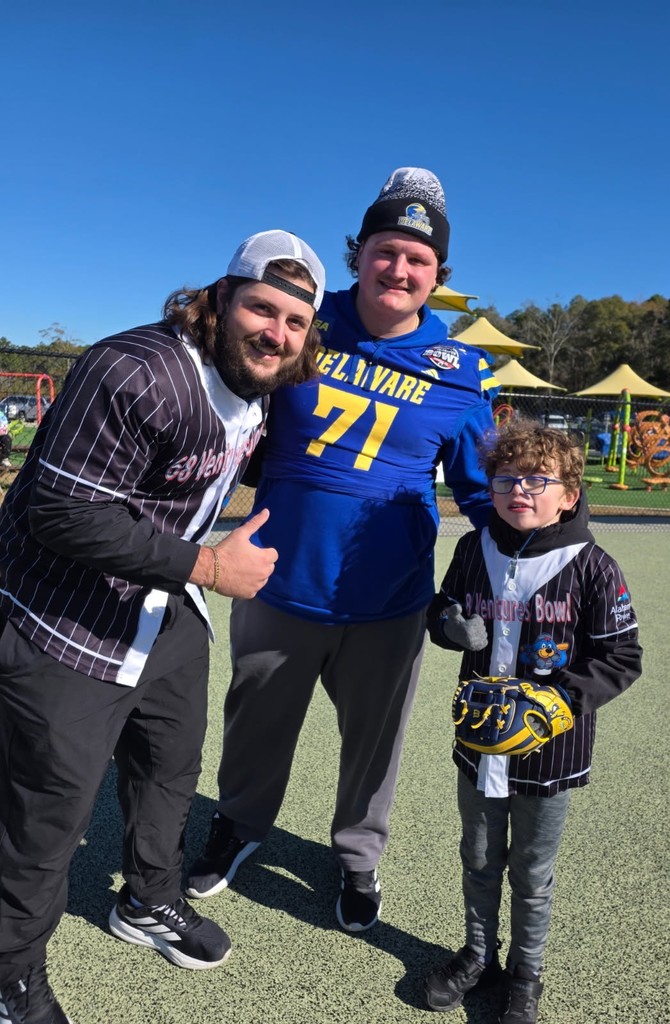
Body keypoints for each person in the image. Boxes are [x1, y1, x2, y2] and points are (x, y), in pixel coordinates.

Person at [0, 229, 325, 1024]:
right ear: (220, 300)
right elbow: (60, 511)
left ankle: (147, 899)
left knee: (170, 765)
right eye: (262, 308)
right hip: (63, 617)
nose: (276, 333)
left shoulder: (263, 384)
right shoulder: (135, 368)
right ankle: (8, 974)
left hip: (161, 607)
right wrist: (212, 569)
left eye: (294, 322)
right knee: (48, 813)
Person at [186, 167, 500, 933]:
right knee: (255, 723)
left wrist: (535, 558)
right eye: (387, 251)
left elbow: (484, 489)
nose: (399, 269)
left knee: (374, 744)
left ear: (439, 276)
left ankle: (358, 856)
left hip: (387, 596)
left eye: (418, 260)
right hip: (275, 578)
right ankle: (240, 823)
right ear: (359, 254)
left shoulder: (460, 372)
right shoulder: (299, 323)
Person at [422, 419, 643, 1023]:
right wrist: (449, 627)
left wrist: (562, 701)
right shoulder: (474, 547)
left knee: (532, 870)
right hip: (478, 743)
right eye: (506, 478)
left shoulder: (593, 565)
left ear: (569, 495)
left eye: (538, 480)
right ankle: (476, 955)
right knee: (478, 853)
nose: (519, 489)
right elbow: (443, 607)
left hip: (552, 751)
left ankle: (527, 971)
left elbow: (623, 657)